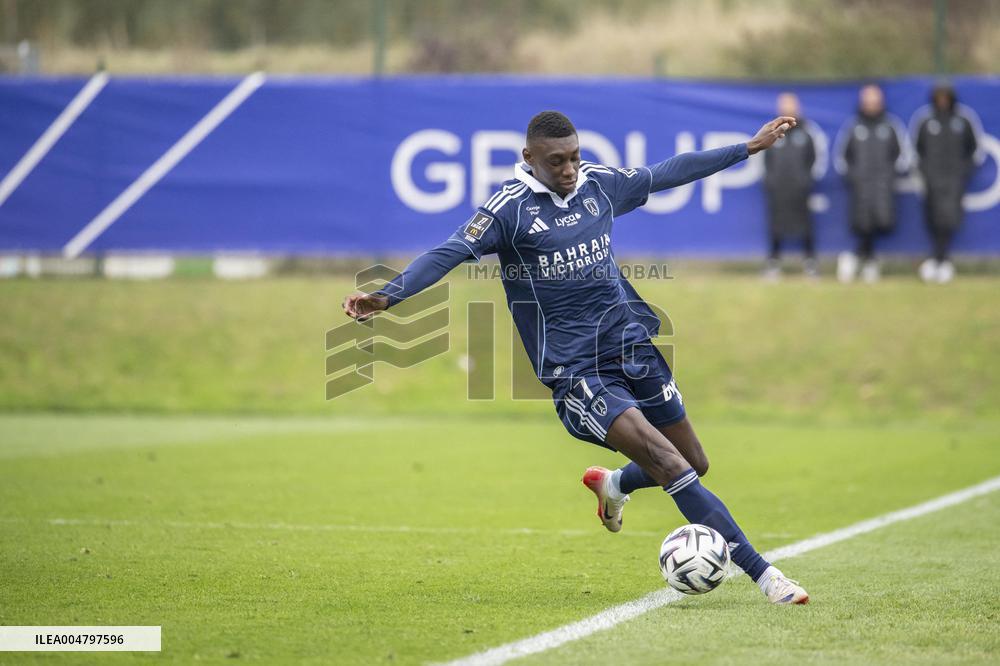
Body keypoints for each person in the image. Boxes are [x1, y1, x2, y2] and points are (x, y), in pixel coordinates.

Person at [343, 111, 809, 605]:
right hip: (577, 370)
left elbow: (668, 172)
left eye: (574, 158)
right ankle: (766, 575)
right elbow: (449, 251)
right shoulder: (508, 211)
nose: (568, 169)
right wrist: (389, 295)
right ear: (529, 158)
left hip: (631, 348)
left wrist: (747, 148)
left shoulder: (597, 185)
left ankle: (614, 484)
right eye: (556, 161)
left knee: (694, 461)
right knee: (669, 462)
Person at [834, 84, 908, 283]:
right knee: (863, 224)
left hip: (883, 187)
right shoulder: (854, 126)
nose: (871, 103)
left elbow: (902, 156)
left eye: (875, 99)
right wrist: (854, 177)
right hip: (861, 187)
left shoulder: (891, 125)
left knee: (882, 223)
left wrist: (889, 176)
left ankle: (858, 257)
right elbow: (842, 158)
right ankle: (868, 261)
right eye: (868, 99)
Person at [911, 82, 980, 284]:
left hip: (954, 181)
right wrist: (926, 173)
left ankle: (942, 260)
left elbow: (975, 149)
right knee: (933, 219)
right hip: (932, 181)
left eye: (946, 97)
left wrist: (963, 172)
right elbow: (915, 150)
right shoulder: (925, 120)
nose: (942, 101)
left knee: (949, 219)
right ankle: (938, 259)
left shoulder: (963, 120)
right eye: (939, 97)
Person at [762, 92, 819, 280]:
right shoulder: (771, 132)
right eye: (784, 105)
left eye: (791, 105)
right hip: (778, 189)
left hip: (801, 190)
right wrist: (771, 181)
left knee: (806, 225)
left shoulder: (808, 132)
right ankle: (774, 263)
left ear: (798, 108)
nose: (787, 108)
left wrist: (806, 181)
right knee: (775, 225)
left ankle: (810, 263)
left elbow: (815, 159)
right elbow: (763, 159)